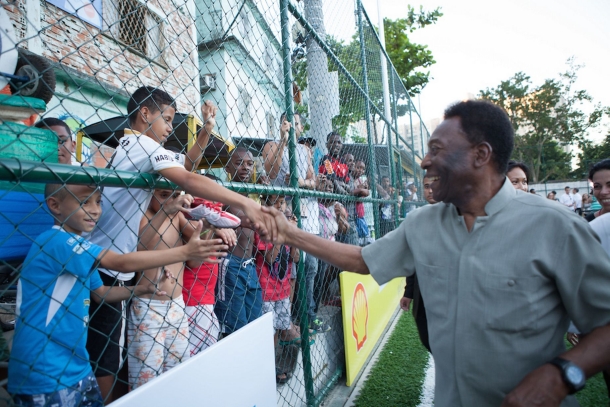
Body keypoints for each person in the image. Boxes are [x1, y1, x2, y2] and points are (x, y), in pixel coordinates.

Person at [261, 100, 610, 407]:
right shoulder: (423, 223)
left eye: (438, 150)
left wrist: (561, 375)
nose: (426, 161)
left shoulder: (557, 227)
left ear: (481, 155)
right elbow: (362, 261)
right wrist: (292, 233)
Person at [86, 87, 271, 402]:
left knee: (109, 355)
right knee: (108, 359)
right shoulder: (144, 145)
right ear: (145, 113)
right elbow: (187, 178)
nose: (170, 128)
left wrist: (206, 132)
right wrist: (244, 202)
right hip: (109, 267)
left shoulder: (130, 146)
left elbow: (183, 167)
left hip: (108, 262)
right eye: (167, 119)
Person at [8, 183, 223, 406]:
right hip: (44, 370)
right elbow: (120, 263)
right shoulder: (55, 242)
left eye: (99, 202)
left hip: (76, 366)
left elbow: (101, 293)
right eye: (84, 202)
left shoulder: (81, 247)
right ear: (55, 205)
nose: (95, 210)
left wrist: (143, 288)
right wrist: (185, 251)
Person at [262, 112, 329, 333]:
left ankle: (305, 316)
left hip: (306, 214)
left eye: (296, 124)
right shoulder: (271, 145)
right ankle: (288, 321)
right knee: (290, 269)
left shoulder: (304, 151)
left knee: (311, 266)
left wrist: (301, 182)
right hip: (284, 212)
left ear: (301, 128)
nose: (292, 127)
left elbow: (311, 180)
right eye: (288, 123)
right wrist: (283, 140)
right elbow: (272, 172)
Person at [215, 147, 264, 335]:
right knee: (236, 326)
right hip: (232, 264)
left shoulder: (251, 193)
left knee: (256, 320)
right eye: (239, 163)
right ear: (227, 167)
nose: (245, 168)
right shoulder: (224, 193)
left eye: (249, 164)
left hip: (249, 265)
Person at [256, 195, 301, 384]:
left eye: (282, 202)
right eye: (275, 202)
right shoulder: (262, 227)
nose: (281, 206)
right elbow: (269, 258)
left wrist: (294, 234)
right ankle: (265, 367)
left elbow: (296, 258)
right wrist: (281, 237)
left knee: (278, 331)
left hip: (282, 290)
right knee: (268, 331)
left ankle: (271, 363)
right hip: (267, 289)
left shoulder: (287, 225)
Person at [399, 176, 436, 353]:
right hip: (424, 297)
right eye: (427, 186)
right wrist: (408, 292)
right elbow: (413, 259)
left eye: (435, 185)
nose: (431, 190)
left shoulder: (462, 217)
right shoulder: (417, 220)